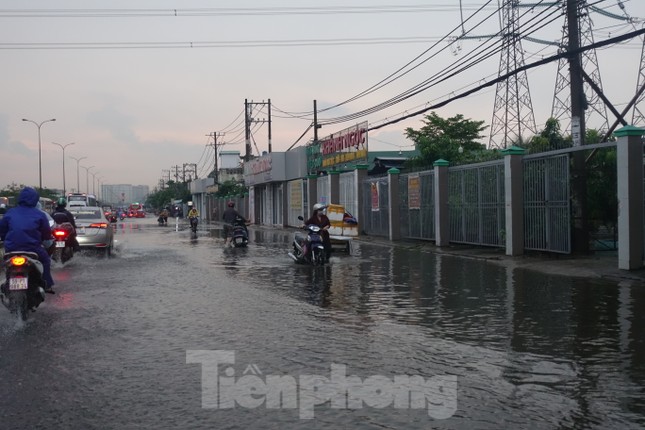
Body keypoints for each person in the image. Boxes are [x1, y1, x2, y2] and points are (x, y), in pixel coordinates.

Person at [0, 187, 56, 292]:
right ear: (35, 199)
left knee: (5, 264)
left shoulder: (10, 213)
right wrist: (45, 239)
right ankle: (47, 285)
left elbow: (2, 229)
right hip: (33, 248)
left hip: (11, 248)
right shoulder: (40, 214)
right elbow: (46, 234)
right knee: (46, 261)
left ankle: (7, 283)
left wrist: (5, 239)